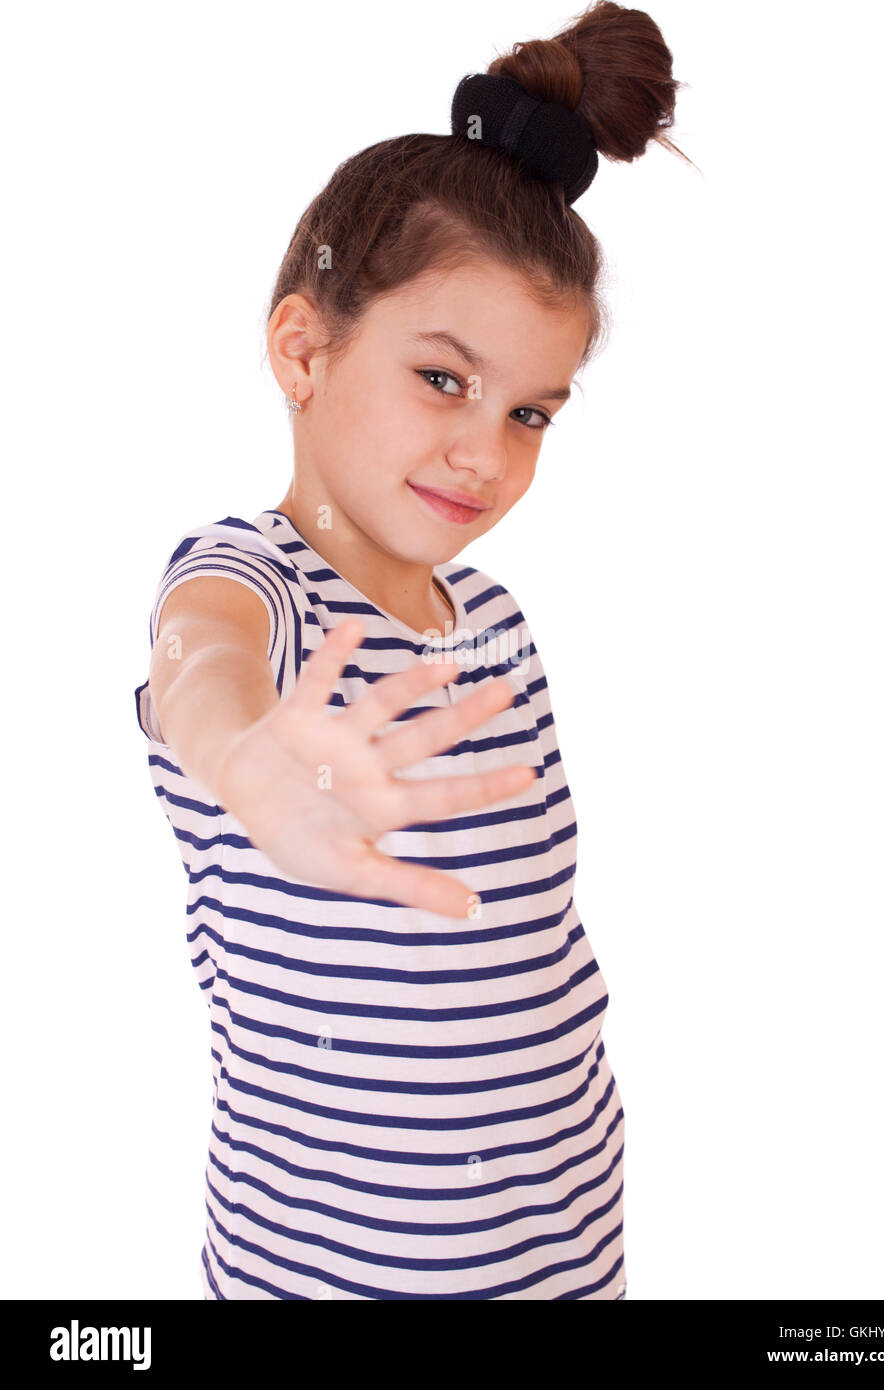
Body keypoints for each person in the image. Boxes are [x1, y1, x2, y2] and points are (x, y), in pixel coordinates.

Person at [134, 0, 686, 1300]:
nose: (487, 454)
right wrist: (250, 754)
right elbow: (196, 661)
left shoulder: (494, 618)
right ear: (305, 347)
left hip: (566, 1247)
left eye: (531, 411)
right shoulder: (251, 581)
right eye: (444, 378)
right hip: (322, 1272)